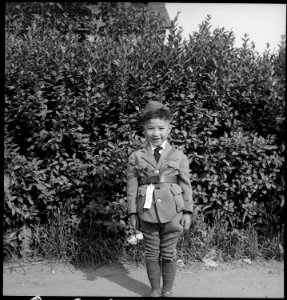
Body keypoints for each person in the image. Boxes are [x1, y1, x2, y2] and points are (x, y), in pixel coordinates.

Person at [127, 101, 194, 297]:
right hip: (146, 213)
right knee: (151, 253)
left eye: (161, 128)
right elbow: (132, 187)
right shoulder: (136, 157)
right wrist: (132, 212)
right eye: (151, 128)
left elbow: (186, 185)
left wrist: (188, 211)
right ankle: (155, 290)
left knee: (169, 253)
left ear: (169, 129)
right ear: (144, 129)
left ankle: (167, 291)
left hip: (174, 212)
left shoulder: (178, 155)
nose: (156, 133)